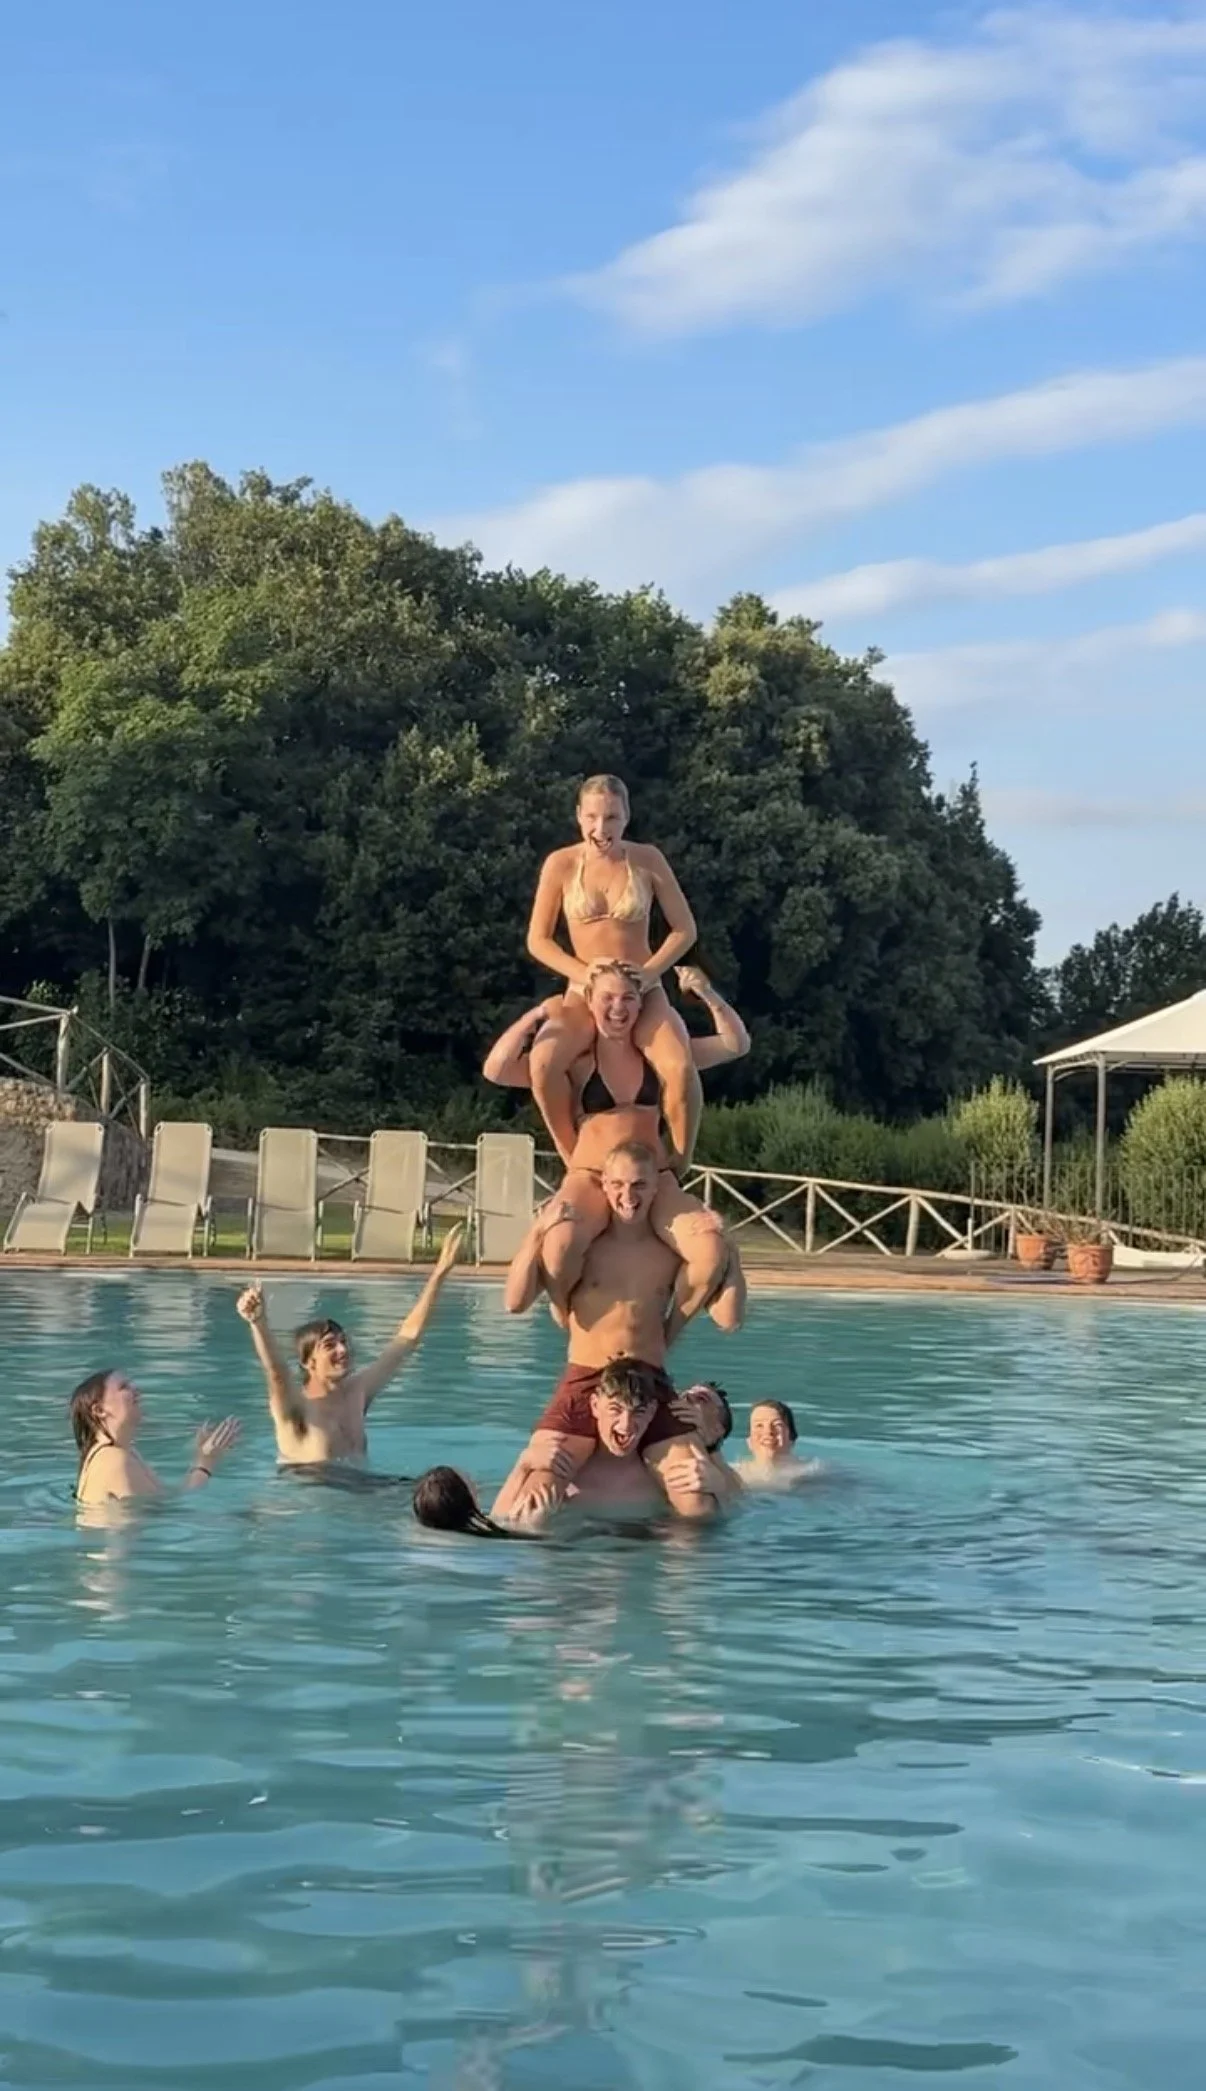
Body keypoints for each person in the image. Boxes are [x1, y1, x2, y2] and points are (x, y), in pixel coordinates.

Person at [484, 959, 748, 1323]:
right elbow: (496, 1069)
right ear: (590, 1002)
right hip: (590, 1174)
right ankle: (563, 1307)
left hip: (653, 1175)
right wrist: (539, 1014)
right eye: (607, 998)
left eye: (628, 998)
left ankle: (669, 1333)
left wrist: (706, 993)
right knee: (559, 1246)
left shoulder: (658, 1055)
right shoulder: (576, 1061)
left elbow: (737, 1044)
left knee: (708, 1246)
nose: (618, 1008)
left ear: (641, 1004)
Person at [492, 1141, 740, 1526]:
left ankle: (669, 1581)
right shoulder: (583, 1247)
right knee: (536, 1502)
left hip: (650, 1382)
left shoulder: (672, 1253)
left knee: (699, 1507)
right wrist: (537, 1231)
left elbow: (730, 1319)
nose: (629, 1196)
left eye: (639, 1185)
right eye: (619, 1184)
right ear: (604, 1185)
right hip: (586, 1379)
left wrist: (727, 1247)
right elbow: (512, 1303)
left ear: (656, 1187)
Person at [516, 774, 704, 1170]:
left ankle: (679, 1161)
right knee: (543, 1062)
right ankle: (574, 1158)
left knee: (679, 1065)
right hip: (584, 991)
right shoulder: (562, 864)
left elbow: (685, 929)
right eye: (593, 817)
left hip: (641, 988)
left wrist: (650, 973)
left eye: (612, 818)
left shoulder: (647, 859)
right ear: (579, 817)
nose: (601, 829)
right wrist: (583, 974)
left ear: (626, 817)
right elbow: (538, 940)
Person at [237, 1224, 464, 1468]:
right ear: (308, 1362)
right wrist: (258, 1323)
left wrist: (440, 1273)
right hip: (308, 1493)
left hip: (362, 1490)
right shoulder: (297, 1407)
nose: (343, 1350)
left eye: (344, 1342)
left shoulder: (357, 1392)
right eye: (330, 1345)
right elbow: (277, 1372)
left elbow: (407, 1337)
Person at [415, 1360, 676, 1535]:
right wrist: (525, 1464)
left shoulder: (665, 1476)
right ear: (595, 1406)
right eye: (616, 1410)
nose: (626, 1424)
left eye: (638, 1411)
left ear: (652, 1411)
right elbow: (504, 1528)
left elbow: (496, 1526)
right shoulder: (564, 1475)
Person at [71, 1370, 241, 1506]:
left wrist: (204, 1460)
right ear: (100, 1410)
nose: (136, 1389)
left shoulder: (123, 1454)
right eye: (124, 1387)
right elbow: (169, 1513)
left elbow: (171, 1499)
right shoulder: (114, 1460)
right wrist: (205, 1463)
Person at [672, 1381, 744, 1506]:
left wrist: (709, 1445)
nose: (687, 1398)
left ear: (717, 1429)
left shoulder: (728, 1480)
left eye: (701, 1399)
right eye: (683, 1395)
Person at [735, 1400, 823, 1487]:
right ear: (749, 1441)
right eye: (759, 1425)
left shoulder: (813, 1474)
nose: (768, 1432)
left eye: (777, 1425)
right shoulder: (734, 1476)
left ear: (792, 1438)